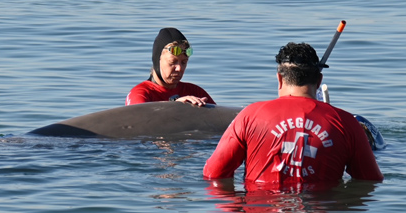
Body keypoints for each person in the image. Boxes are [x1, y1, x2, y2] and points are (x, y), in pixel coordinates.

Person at [203, 42, 383, 187]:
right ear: (319, 81)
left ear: (279, 78)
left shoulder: (249, 116)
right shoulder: (346, 123)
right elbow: (369, 181)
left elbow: (214, 174)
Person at [125, 27, 215, 107]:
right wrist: (173, 107)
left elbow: (225, 123)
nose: (179, 68)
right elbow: (139, 122)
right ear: (157, 61)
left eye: (184, 62)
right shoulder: (140, 94)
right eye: (172, 62)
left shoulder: (195, 92)